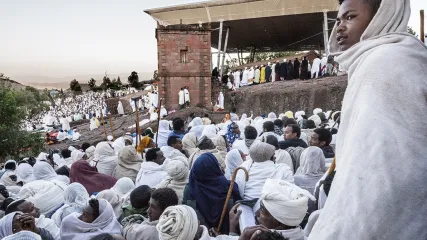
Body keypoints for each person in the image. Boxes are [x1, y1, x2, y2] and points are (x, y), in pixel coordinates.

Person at [310, 0, 427, 239]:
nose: (339, 28)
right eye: (338, 20)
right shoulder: (385, 59)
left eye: (350, 17)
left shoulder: (384, 64)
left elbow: (378, 178)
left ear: (380, 18)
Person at [183, 153, 241, 233]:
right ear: (215, 168)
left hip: (201, 234)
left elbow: (189, 213)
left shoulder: (190, 189)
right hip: (229, 232)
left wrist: (207, 232)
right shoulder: (230, 187)